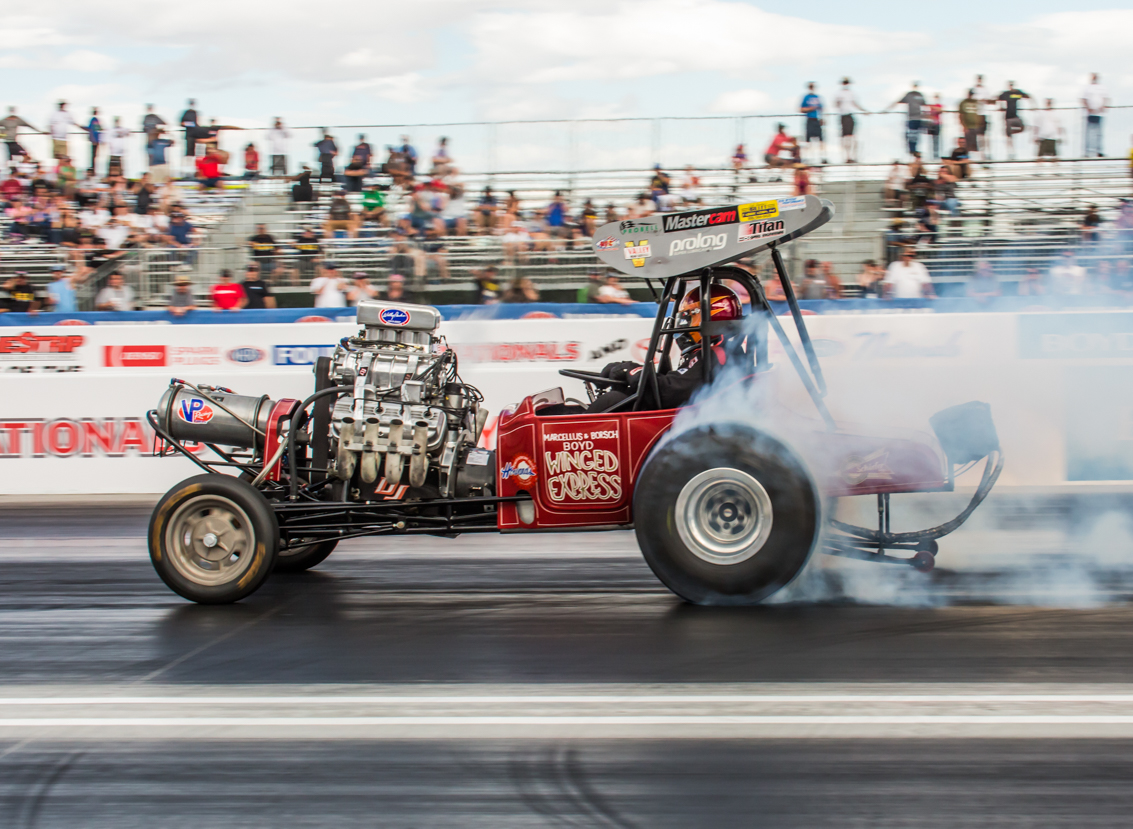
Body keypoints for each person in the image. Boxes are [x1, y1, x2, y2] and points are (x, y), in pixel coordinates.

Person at [580, 285, 741, 414]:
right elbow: (675, 385)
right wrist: (630, 374)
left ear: (710, 316)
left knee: (612, 400)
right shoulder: (718, 352)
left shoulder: (717, 354)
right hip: (688, 417)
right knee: (616, 398)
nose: (682, 325)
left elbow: (669, 393)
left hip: (690, 422)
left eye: (687, 317)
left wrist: (632, 371)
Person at [833, 77, 867, 163]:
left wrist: (864, 111)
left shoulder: (851, 93)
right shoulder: (839, 93)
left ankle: (852, 156)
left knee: (852, 138)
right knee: (845, 138)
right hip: (843, 116)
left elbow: (855, 104)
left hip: (850, 115)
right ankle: (847, 156)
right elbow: (835, 104)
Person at [890, 83, 926, 156]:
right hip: (911, 118)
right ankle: (912, 149)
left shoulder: (920, 95)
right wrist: (888, 109)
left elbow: (924, 104)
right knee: (911, 134)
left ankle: (915, 150)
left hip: (918, 117)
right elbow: (898, 101)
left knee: (916, 134)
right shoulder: (909, 95)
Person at [997, 82, 1031, 160]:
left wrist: (1032, 106)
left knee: (1023, 127)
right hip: (1008, 117)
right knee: (1009, 137)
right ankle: (1011, 152)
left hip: (1015, 116)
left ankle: (1010, 132)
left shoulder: (1017, 93)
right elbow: (998, 98)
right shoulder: (1006, 94)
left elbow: (1027, 96)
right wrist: (1000, 106)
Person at [1081, 73, 1108, 158]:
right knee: (1089, 133)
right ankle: (1087, 151)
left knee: (1099, 133)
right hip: (1090, 114)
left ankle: (1099, 150)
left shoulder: (1102, 87)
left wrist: (1102, 107)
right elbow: (1083, 99)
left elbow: (1105, 98)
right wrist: (1088, 108)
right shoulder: (1087, 88)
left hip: (1099, 114)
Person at [799, 82, 826, 164]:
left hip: (817, 120)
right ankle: (807, 157)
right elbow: (801, 109)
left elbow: (821, 109)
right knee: (808, 140)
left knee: (821, 139)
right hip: (809, 119)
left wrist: (822, 118)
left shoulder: (818, 97)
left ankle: (823, 157)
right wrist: (810, 108)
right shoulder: (805, 97)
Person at [1033, 99, 1064, 163]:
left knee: (1054, 158)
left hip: (1052, 137)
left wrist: (1060, 136)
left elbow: (1059, 126)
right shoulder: (1040, 113)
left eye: (1050, 103)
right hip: (1042, 137)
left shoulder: (1056, 114)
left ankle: (1055, 172)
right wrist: (1035, 136)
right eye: (1048, 103)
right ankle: (1038, 171)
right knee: (1040, 158)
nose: (1049, 104)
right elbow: (1037, 126)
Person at [957, 89, 981, 159]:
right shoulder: (963, 103)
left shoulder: (976, 102)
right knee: (967, 144)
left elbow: (978, 113)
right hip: (968, 126)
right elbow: (961, 115)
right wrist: (964, 126)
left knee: (975, 144)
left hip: (975, 127)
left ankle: (975, 159)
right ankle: (966, 158)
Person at [179, 99, 199, 167]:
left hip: (195, 133)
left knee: (194, 149)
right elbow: (181, 123)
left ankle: (193, 164)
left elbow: (197, 123)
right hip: (189, 134)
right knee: (189, 150)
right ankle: (188, 165)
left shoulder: (195, 112)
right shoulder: (186, 112)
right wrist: (188, 124)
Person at [926, 94, 944, 160]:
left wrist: (933, 107)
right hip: (931, 124)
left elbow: (940, 110)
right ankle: (931, 155)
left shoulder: (938, 105)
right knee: (931, 140)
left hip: (937, 124)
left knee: (936, 140)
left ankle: (936, 155)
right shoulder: (930, 106)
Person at [85, 107, 102, 175]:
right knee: (94, 155)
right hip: (95, 140)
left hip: (95, 140)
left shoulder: (94, 120)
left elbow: (90, 129)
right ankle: (93, 169)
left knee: (93, 155)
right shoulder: (96, 120)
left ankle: (93, 169)